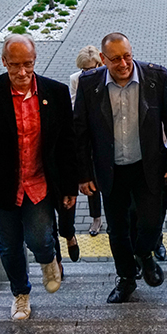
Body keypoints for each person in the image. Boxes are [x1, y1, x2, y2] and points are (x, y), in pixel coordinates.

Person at [0, 35, 78, 321]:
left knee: (40, 239)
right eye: (14, 65)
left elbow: (67, 143)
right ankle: (20, 294)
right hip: (3, 187)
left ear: (35, 60)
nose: (21, 72)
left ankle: (48, 259)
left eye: (27, 64)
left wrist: (69, 186)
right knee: (9, 246)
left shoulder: (55, 92)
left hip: (40, 184)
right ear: (3, 62)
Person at [74, 33, 167, 303]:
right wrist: (84, 174)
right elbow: (79, 132)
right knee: (117, 229)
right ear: (103, 59)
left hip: (147, 166)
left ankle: (145, 253)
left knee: (150, 222)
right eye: (115, 59)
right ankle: (125, 278)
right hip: (110, 170)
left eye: (127, 56)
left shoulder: (156, 77)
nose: (123, 64)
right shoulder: (89, 84)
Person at [68, 45, 103, 237]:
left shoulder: (106, 76)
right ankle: (96, 217)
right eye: (84, 69)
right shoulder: (76, 79)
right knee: (92, 180)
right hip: (88, 136)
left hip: (104, 135)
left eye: (91, 68)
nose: (88, 73)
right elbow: (75, 106)